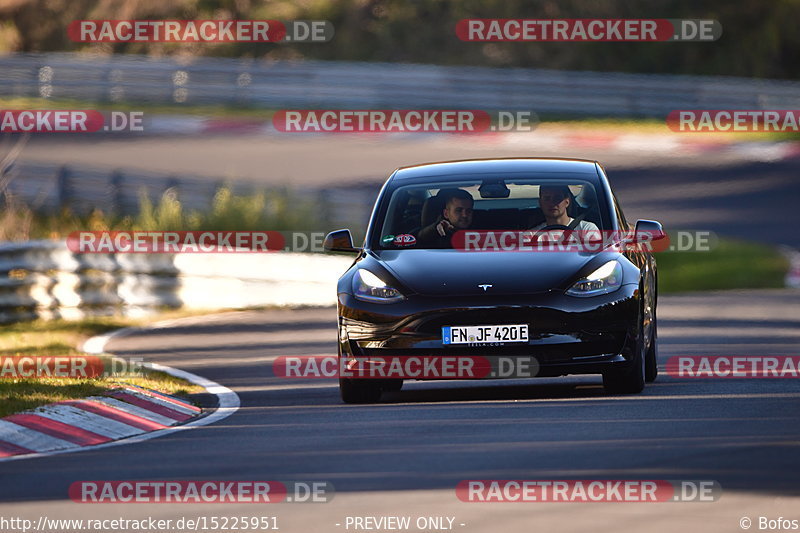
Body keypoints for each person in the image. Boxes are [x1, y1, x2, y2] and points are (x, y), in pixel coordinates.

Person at [530, 185, 599, 232]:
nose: (552, 203)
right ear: (540, 203)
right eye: (547, 198)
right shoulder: (531, 235)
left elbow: (597, 253)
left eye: (557, 198)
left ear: (567, 202)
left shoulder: (587, 230)